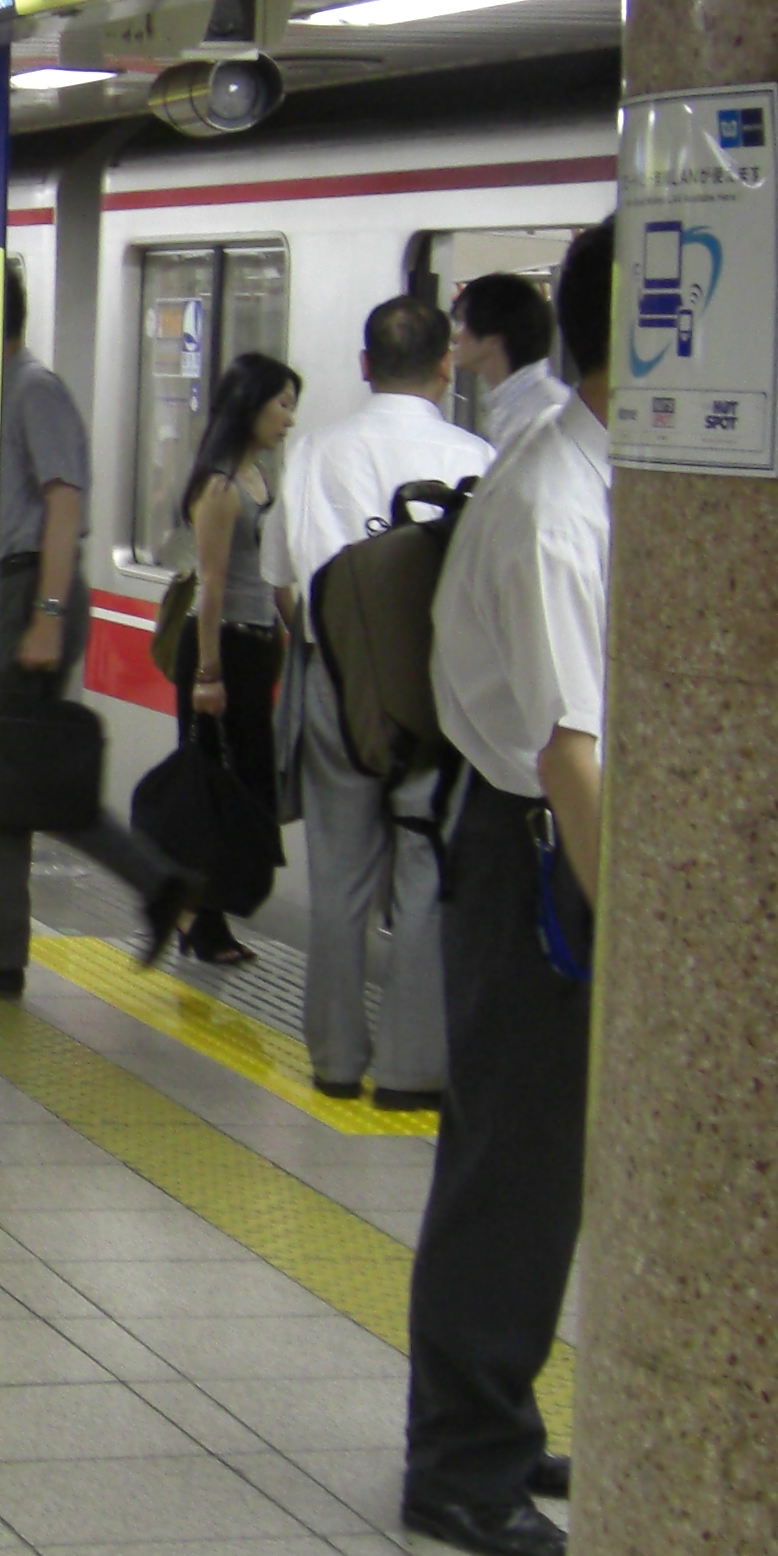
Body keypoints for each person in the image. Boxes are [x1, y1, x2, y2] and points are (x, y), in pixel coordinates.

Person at [400, 214, 615, 1556]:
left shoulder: (575, 469)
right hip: (540, 859)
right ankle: (464, 1465)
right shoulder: (555, 504)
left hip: (543, 845)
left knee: (538, 1165)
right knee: (514, 1171)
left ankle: (501, 1413)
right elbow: (571, 750)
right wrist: (633, 933)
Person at [271, 295, 496, 1106]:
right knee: (429, 867)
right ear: (446, 365)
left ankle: (335, 1059)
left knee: (339, 878)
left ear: (365, 364)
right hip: (440, 688)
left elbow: (284, 583)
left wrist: (336, 654)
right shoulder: (478, 455)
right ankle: (411, 1069)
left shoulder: (314, 452)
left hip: (334, 677)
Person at [0, 262, 191, 996]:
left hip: (33, 586)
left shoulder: (33, 388)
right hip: (17, 587)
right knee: (9, 771)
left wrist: (43, 617)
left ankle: (3, 956)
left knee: (10, 769)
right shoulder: (0, 387)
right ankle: (2, 952)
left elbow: (63, 502)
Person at [176, 349, 303, 965]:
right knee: (217, 791)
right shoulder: (221, 486)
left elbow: (275, 577)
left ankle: (199, 906)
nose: (289, 418)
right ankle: (201, 918)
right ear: (250, 405)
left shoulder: (259, 481)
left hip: (256, 650)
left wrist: (301, 632)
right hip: (220, 648)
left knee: (248, 788)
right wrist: (207, 675)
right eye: (282, 404)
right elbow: (212, 587)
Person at [455, 270, 569, 453]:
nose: (455, 334)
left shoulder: (547, 411)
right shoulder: (510, 402)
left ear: (494, 334)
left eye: (462, 322)